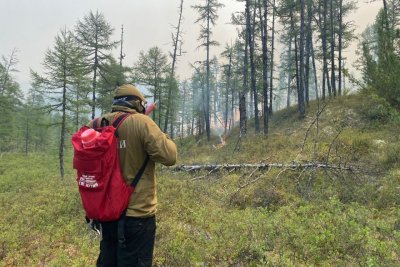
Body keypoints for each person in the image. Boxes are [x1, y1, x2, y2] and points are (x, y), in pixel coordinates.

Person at [92, 84, 177, 267]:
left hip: (106, 214)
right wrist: (155, 130)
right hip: (137, 216)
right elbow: (170, 157)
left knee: (109, 261)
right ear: (137, 103)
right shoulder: (142, 122)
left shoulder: (98, 123)